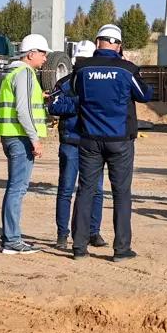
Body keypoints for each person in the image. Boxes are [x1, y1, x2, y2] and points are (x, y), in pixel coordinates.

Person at [68, 23, 150, 261]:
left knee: (86, 191)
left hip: (90, 140)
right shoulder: (126, 70)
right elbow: (145, 95)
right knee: (121, 193)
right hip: (119, 140)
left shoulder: (82, 69)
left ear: (97, 42)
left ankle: (79, 247)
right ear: (119, 45)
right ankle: (121, 249)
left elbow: (73, 91)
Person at [0, 33, 49, 254]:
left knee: (14, 188)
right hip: (20, 138)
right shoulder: (25, 73)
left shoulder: (13, 72)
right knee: (17, 189)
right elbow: (23, 110)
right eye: (43, 53)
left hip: (10, 136)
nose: (45, 58)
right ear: (31, 54)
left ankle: (10, 237)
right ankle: (12, 240)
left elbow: (23, 103)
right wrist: (34, 139)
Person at [49, 62, 106, 252]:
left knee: (97, 190)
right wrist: (79, 102)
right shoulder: (65, 84)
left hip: (94, 143)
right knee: (66, 189)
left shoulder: (99, 83)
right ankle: (62, 234)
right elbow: (54, 106)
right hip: (71, 143)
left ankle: (93, 232)